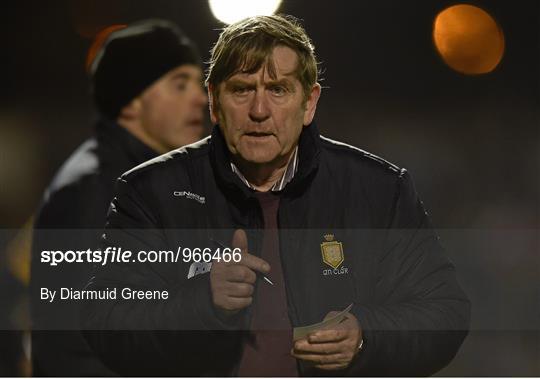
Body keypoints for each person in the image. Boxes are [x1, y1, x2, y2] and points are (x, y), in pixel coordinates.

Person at [82, 14, 470, 376]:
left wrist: (367, 335)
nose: (259, 110)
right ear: (214, 102)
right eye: (241, 89)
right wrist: (201, 303)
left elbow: (446, 313)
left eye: (278, 89)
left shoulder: (379, 190)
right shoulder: (150, 193)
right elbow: (104, 321)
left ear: (309, 103)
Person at [30, 19, 207, 376]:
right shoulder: (95, 191)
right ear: (131, 102)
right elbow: (85, 346)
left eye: (197, 83)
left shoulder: (140, 179)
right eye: (180, 84)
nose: (200, 98)